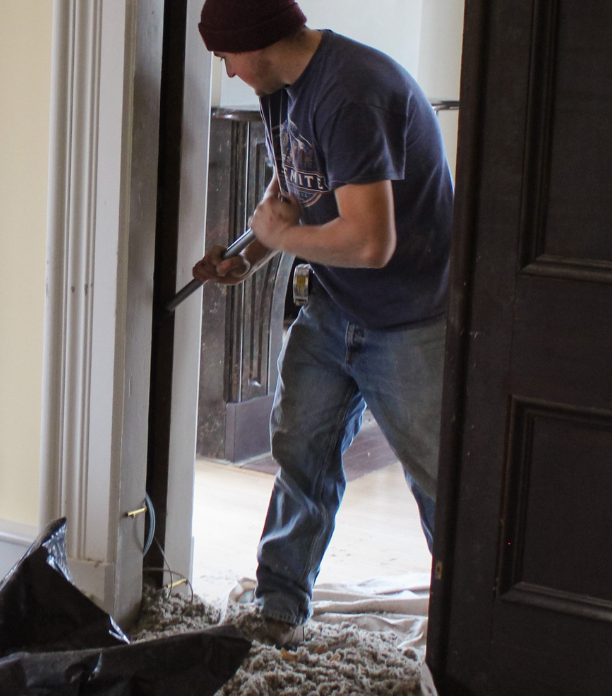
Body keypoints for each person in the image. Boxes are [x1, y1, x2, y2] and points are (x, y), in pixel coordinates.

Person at [192, 0, 454, 646]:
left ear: (255, 42)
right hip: (335, 305)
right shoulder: (286, 88)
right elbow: (293, 190)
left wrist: (279, 235)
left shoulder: (349, 94)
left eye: (224, 56)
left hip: (409, 317)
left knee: (440, 480)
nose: (226, 72)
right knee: (301, 451)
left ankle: (470, 624)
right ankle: (279, 604)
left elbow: (372, 242)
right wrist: (248, 256)